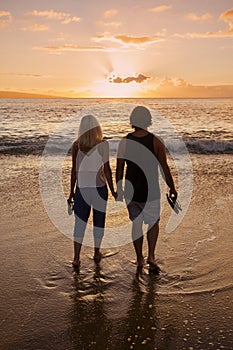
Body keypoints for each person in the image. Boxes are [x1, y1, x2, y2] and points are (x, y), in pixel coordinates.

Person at [116, 106, 177, 273]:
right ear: (148, 120)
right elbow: (164, 168)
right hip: (151, 190)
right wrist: (172, 187)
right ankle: (151, 255)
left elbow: (119, 168)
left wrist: (119, 189)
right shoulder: (156, 141)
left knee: (136, 223)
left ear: (132, 121)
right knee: (153, 222)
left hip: (131, 190)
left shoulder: (125, 141)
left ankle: (139, 259)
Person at [68, 115, 117, 268]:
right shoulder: (103, 145)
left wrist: (71, 192)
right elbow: (107, 170)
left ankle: (76, 258)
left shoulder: (77, 145)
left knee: (80, 223)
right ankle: (96, 252)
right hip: (99, 189)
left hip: (82, 190)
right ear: (97, 128)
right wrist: (113, 191)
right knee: (99, 222)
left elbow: (74, 171)